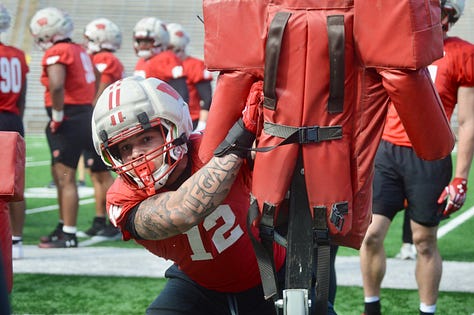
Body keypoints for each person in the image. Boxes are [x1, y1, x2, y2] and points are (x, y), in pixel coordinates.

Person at [92, 76, 286, 314]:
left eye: (145, 138)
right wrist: (239, 139)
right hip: (200, 284)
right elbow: (183, 212)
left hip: (271, 271)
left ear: (175, 127)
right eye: (124, 148)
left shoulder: (210, 147)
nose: (136, 155)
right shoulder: (122, 197)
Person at [360, 1, 474, 314]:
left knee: (424, 241)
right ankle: (371, 308)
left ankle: (428, 310)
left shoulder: (461, 53)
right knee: (370, 235)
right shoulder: (397, 46)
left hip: (429, 156)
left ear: (448, 14)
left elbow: (468, 121)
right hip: (386, 152)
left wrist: (461, 177)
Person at [29, 7, 106, 248]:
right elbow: (96, 75)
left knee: (66, 178)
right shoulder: (78, 49)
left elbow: (57, 86)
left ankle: (69, 234)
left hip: (68, 118)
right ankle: (64, 227)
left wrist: (58, 116)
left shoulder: (58, 51)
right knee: (64, 176)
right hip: (83, 114)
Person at [81, 17, 125, 239]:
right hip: (97, 121)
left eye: (89, 38)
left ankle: (113, 221)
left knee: (104, 174)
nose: (86, 42)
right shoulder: (98, 57)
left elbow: (102, 91)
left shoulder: (105, 58)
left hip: (103, 121)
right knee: (96, 173)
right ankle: (100, 218)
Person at [0, 3, 29, 259]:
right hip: (13, 118)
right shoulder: (18, 54)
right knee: (15, 185)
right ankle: (17, 240)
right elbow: (22, 96)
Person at [167, 22, 213, 131]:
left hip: (192, 120)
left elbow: (206, 99)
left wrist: (202, 123)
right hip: (170, 119)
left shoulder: (195, 65)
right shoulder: (162, 65)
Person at [132, 17, 189, 103]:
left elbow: (181, 92)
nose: (142, 45)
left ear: (160, 40)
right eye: (140, 41)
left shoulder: (167, 57)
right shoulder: (141, 61)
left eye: (147, 41)